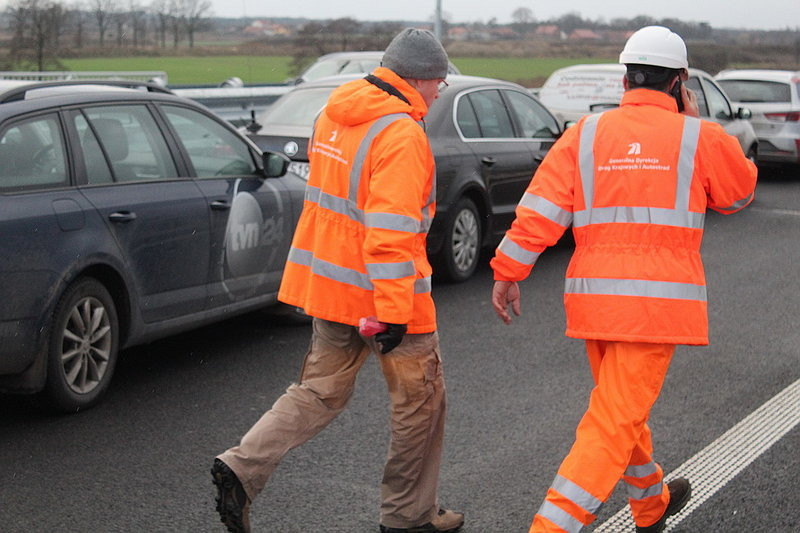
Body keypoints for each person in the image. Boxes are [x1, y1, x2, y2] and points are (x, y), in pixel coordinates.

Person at [490, 26, 757, 533]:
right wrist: (699, 124)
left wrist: (508, 271)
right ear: (680, 82)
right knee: (612, 423)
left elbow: (540, 212)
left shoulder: (584, 134)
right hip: (656, 309)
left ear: (626, 77)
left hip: (595, 302)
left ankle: (650, 504)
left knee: (618, 409)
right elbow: (738, 194)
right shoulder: (698, 137)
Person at [211, 28, 464, 533]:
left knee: (318, 392)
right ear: (418, 79)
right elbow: (390, 233)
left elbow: (337, 209)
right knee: (420, 405)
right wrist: (393, 313)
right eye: (438, 83)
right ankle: (408, 517)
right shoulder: (400, 135)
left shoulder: (332, 115)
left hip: (331, 290)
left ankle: (243, 465)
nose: (438, 93)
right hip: (388, 300)